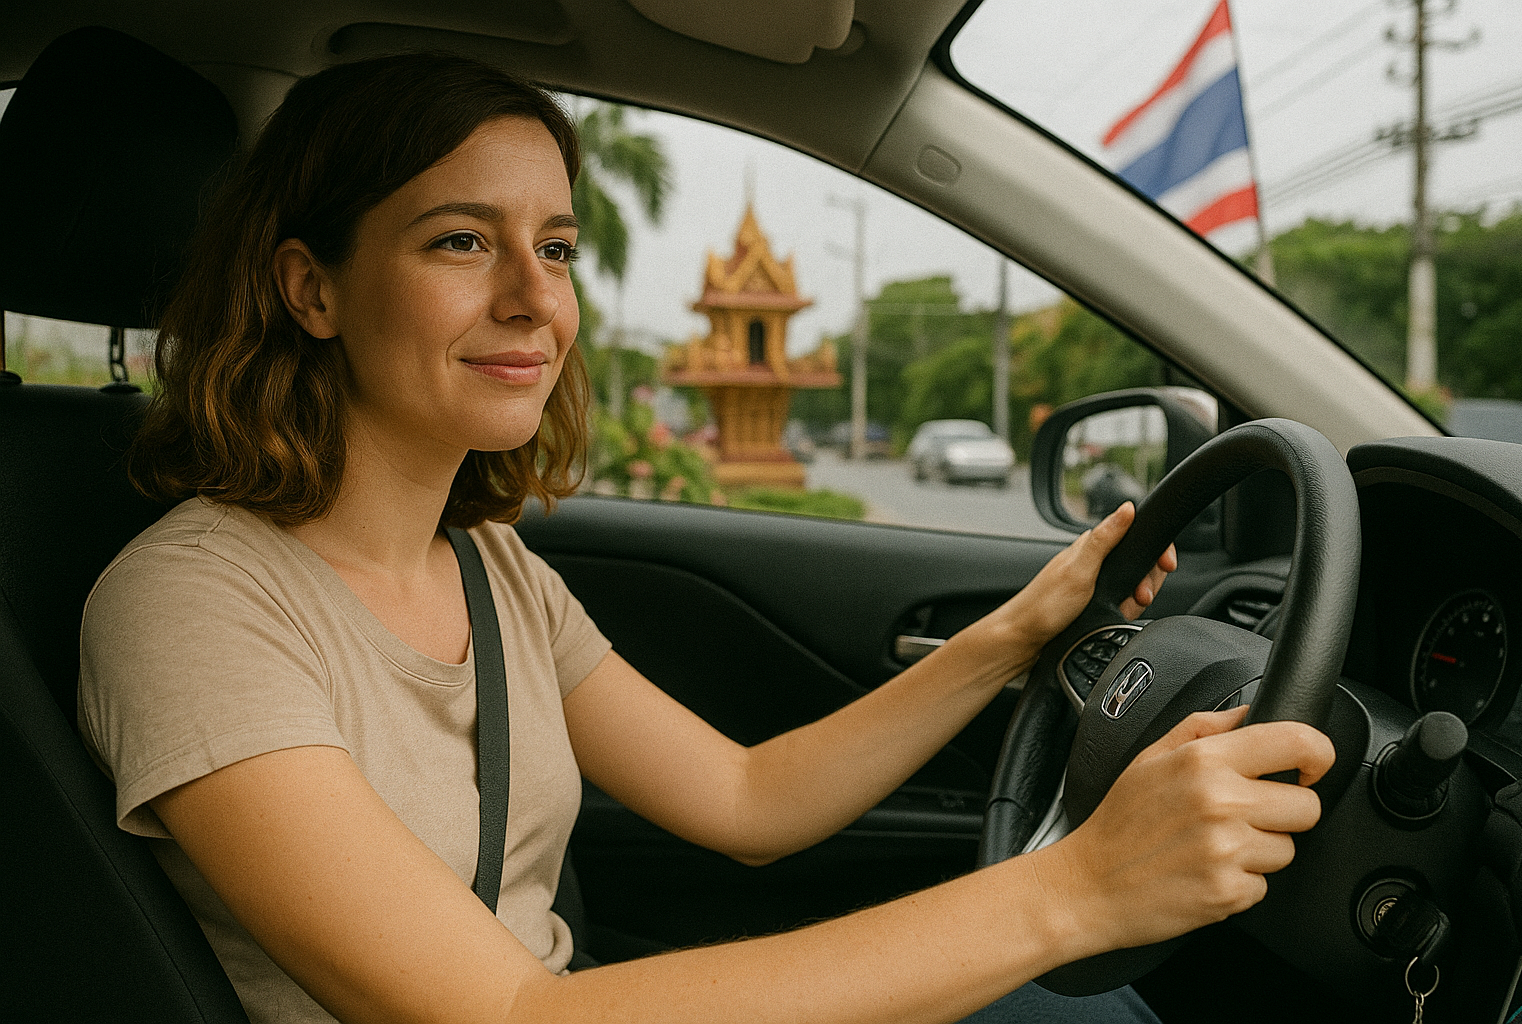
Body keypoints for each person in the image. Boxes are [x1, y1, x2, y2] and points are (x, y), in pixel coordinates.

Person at [77, 52, 1334, 1024]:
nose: (534, 296)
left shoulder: (492, 566)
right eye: (461, 240)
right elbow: (507, 1012)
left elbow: (749, 799)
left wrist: (1015, 634)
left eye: (556, 247)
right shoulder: (192, 607)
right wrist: (1079, 889)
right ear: (313, 288)